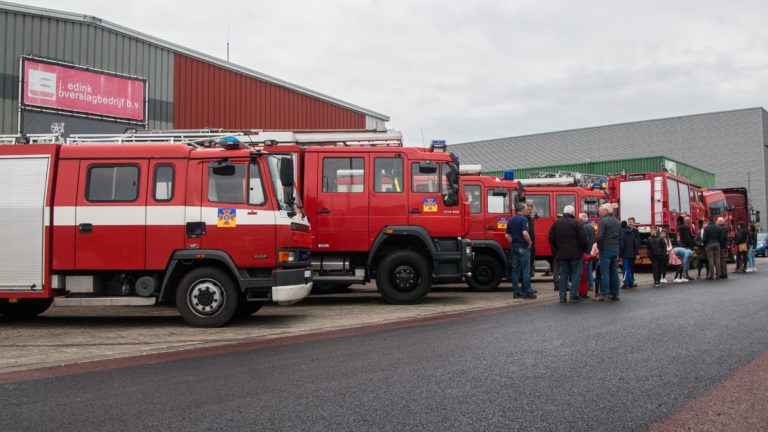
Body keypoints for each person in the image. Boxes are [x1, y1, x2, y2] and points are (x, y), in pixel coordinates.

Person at [549, 205, 588, 303]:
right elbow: (583, 239)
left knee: (563, 275)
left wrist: (556, 251)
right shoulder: (577, 224)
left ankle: (562, 297)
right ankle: (573, 296)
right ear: (573, 213)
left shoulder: (556, 224)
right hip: (576, 254)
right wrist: (583, 250)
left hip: (562, 254)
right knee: (575, 275)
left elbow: (551, 239)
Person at [506, 202, 537, 299]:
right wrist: (530, 242)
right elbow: (525, 233)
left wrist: (513, 242)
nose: (526, 210)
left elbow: (507, 234)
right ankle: (527, 292)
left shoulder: (511, 220)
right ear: (522, 210)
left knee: (515, 270)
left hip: (514, 247)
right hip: (523, 247)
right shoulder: (524, 219)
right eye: (525, 209)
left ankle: (516, 292)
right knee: (525, 270)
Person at [594, 204, 622, 302]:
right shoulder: (617, 221)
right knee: (614, 271)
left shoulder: (604, 221)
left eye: (601, 210)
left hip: (605, 249)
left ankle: (604, 294)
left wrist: (599, 247)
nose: (599, 212)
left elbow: (600, 237)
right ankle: (616, 293)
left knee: (604, 272)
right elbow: (620, 236)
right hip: (615, 248)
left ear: (606, 211)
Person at [580, 213, 596, 292]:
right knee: (589, 269)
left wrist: (584, 251)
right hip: (591, 251)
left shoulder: (584, 227)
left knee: (586, 270)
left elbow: (586, 240)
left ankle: (589, 286)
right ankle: (591, 285)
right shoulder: (591, 226)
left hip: (587, 251)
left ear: (581, 219)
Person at [619, 220, 638, 288]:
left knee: (625, 269)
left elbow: (622, 245)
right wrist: (636, 252)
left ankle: (626, 283)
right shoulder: (631, 232)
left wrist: (620, 254)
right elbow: (635, 243)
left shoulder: (622, 233)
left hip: (625, 254)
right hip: (632, 253)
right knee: (629, 268)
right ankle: (631, 282)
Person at [626, 217, 641, 287]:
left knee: (631, 267)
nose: (629, 223)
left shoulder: (636, 231)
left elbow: (637, 242)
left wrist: (637, 253)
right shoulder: (625, 230)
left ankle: (631, 280)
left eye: (631, 222)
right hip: (626, 253)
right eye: (629, 222)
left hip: (633, 252)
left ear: (634, 223)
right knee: (626, 268)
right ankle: (627, 281)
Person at [526, 202, 537, 279]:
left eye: (531, 209)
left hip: (531, 245)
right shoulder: (526, 219)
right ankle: (526, 286)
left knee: (530, 263)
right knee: (527, 265)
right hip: (528, 245)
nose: (530, 211)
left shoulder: (530, 218)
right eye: (528, 209)